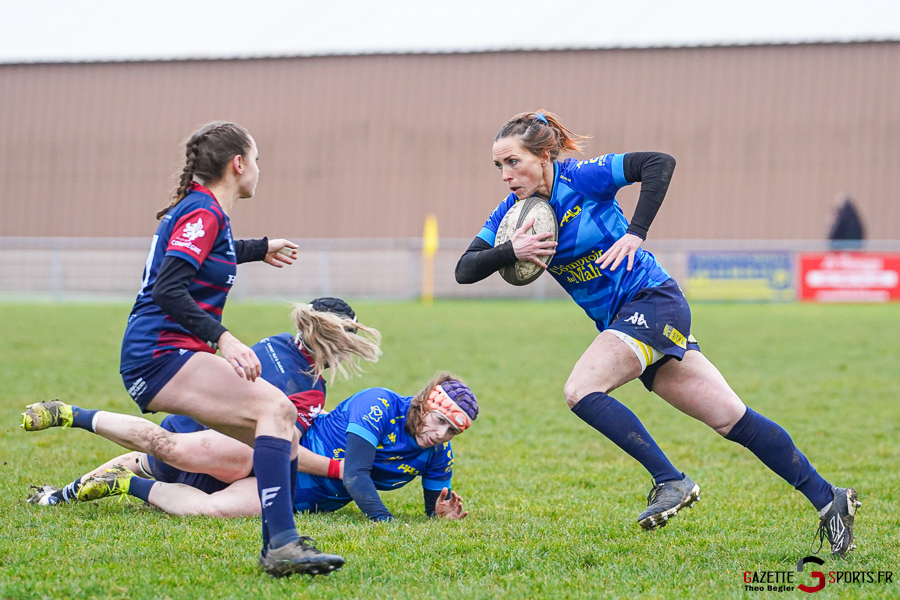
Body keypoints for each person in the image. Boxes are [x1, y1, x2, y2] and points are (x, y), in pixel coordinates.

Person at [455, 110, 860, 557]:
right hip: (627, 321)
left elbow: (658, 163)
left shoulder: (582, 178)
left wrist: (636, 233)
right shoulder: (512, 214)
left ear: (544, 156)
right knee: (731, 418)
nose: (505, 174)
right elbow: (464, 269)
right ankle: (829, 498)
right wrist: (511, 249)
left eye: (513, 162)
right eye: (499, 165)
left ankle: (671, 481)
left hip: (652, 300)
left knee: (581, 389)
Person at [56, 121, 339, 577]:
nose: (259, 169)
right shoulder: (204, 213)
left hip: (164, 352)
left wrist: (260, 248)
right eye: (258, 159)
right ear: (238, 164)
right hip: (159, 353)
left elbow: (212, 253)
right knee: (278, 410)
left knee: (281, 427)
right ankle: (282, 545)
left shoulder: (206, 213)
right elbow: (168, 288)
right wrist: (224, 338)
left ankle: (282, 546)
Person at [24, 297, 381, 514]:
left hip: (189, 420)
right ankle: (84, 434)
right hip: (214, 457)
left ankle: (61, 492)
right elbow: (283, 447)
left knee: (149, 457)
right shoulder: (310, 388)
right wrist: (340, 470)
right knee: (193, 468)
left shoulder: (276, 343)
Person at [27, 373, 476, 525]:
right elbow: (355, 474)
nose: (441, 435)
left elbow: (432, 504)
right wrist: (386, 523)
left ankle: (125, 486)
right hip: (272, 454)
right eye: (440, 421)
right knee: (166, 454)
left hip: (284, 494)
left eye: (453, 432)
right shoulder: (379, 404)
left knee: (210, 510)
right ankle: (73, 417)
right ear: (426, 402)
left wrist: (438, 513)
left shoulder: (437, 453)